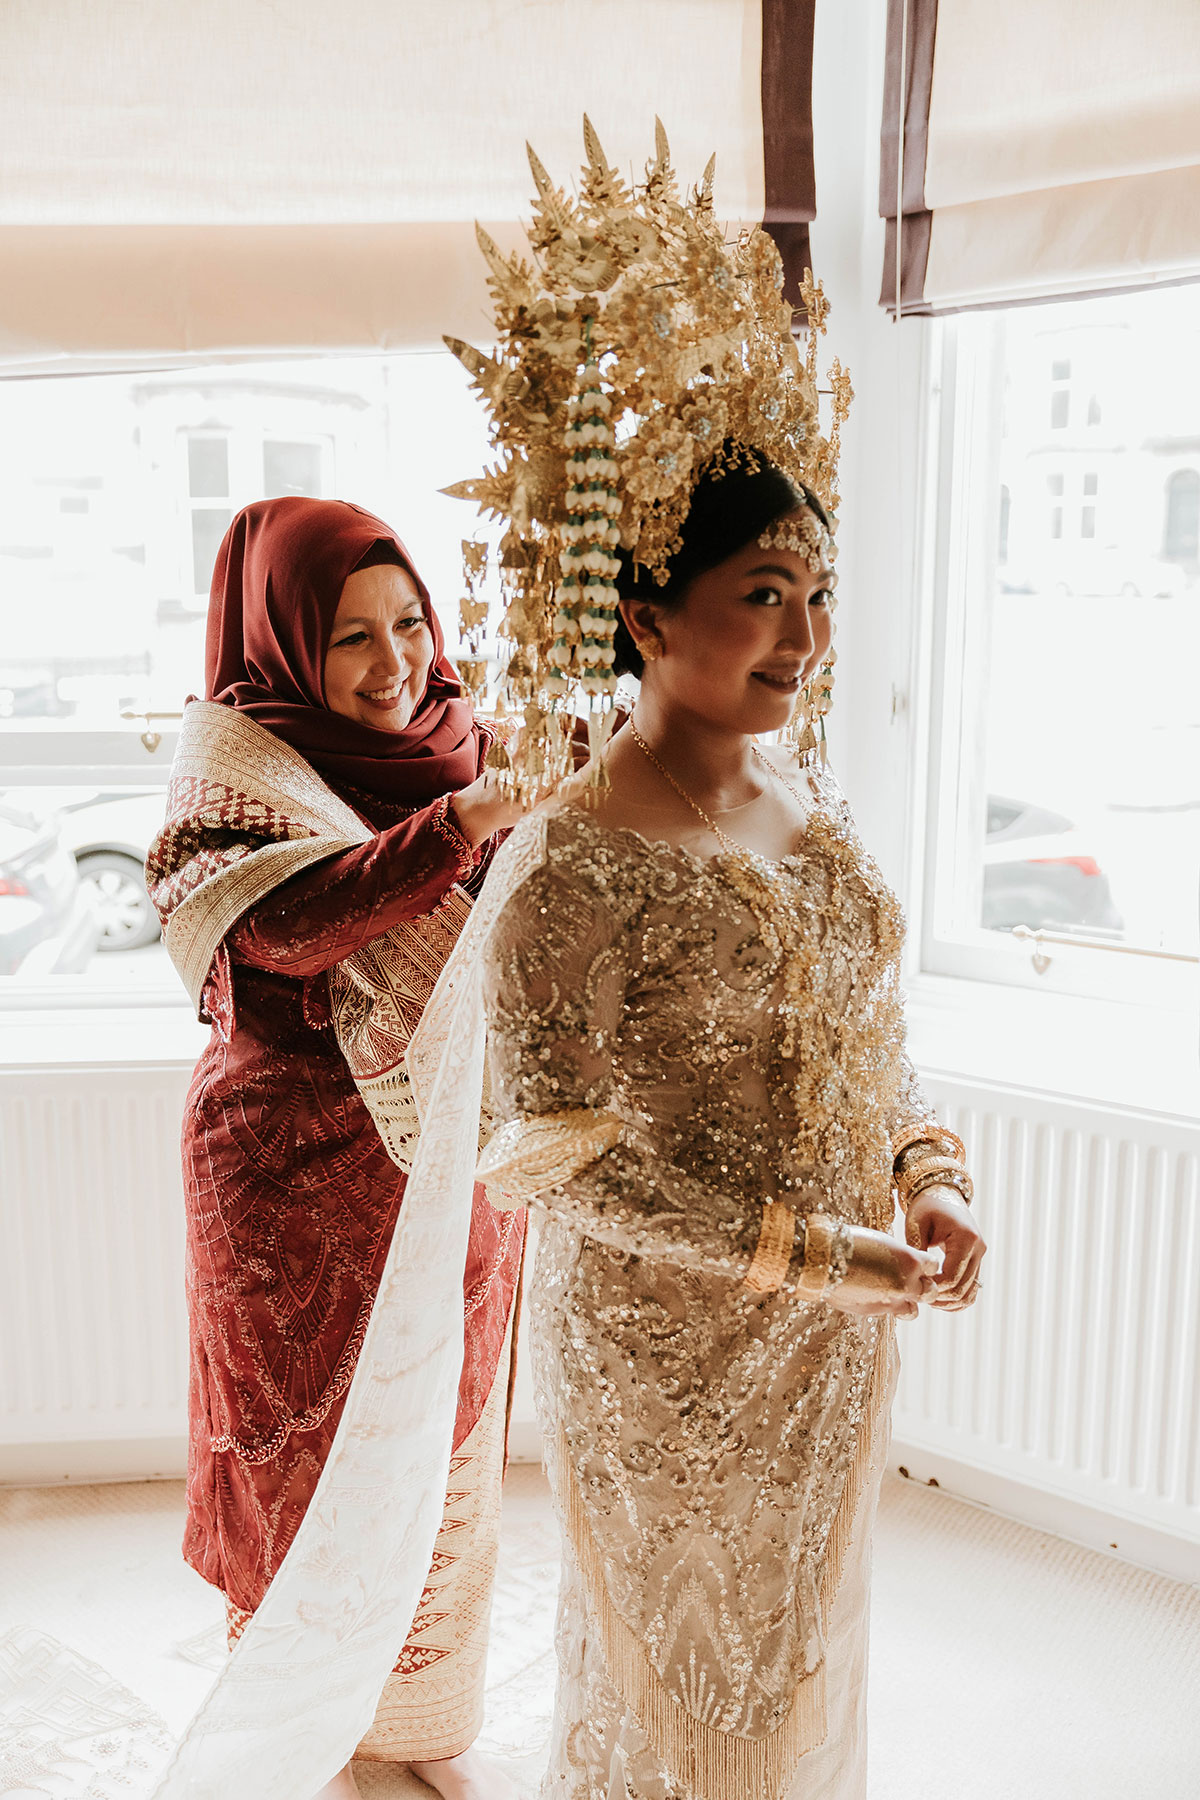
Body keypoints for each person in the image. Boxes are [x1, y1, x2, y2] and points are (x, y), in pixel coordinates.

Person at [470, 452, 987, 1800]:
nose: (806, 634)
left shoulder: (809, 803)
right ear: (645, 616)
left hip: (834, 1339)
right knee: (680, 1683)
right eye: (765, 593)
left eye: (820, 592)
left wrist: (927, 1176)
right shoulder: (568, 859)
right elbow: (556, 1163)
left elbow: (865, 1041)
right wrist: (822, 1256)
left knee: (803, 1652)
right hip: (661, 1353)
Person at [146, 496, 527, 1800]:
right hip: (285, 1190)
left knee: (437, 1454)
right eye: (349, 636)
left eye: (409, 622)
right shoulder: (234, 771)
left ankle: (413, 1720)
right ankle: (303, 1731)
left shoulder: (472, 742)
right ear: (284, 641)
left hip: (447, 1174)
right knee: (298, 1474)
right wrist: (467, 824)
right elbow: (293, 927)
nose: (394, 664)